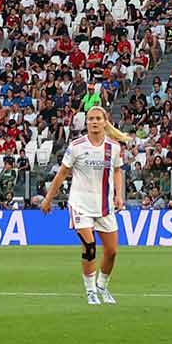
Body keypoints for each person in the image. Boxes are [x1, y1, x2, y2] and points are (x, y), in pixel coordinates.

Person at [41, 107, 126, 305]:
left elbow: (117, 171)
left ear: (105, 121)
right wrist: (48, 199)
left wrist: (118, 196)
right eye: (90, 119)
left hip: (104, 206)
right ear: (86, 122)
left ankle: (102, 286)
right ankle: (90, 292)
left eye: (98, 118)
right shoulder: (76, 146)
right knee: (89, 247)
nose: (94, 122)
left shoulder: (113, 147)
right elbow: (62, 174)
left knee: (112, 251)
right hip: (80, 204)